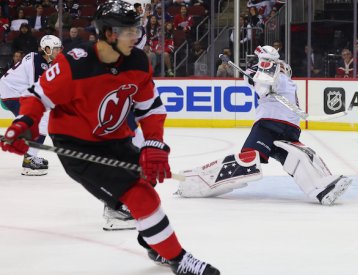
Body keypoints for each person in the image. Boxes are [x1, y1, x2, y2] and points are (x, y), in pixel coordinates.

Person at [0, 1, 220, 274]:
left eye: (136, 29)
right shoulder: (74, 64)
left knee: (147, 183)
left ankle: (155, 244)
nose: (136, 36)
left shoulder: (137, 61)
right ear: (108, 34)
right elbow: (37, 96)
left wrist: (153, 144)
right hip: (78, 146)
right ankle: (179, 259)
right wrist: (23, 124)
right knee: (141, 197)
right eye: (129, 31)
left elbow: (150, 107)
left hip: (117, 140)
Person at [177, 45, 352, 206]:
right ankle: (321, 190)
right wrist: (257, 80)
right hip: (291, 128)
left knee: (248, 160)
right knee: (296, 159)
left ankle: (198, 183)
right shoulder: (288, 81)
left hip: (269, 123)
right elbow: (261, 83)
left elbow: (262, 86)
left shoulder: (272, 71)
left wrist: (259, 80)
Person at [0, 35, 62, 176]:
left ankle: (27, 152)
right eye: (55, 49)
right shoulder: (38, 63)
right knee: (41, 120)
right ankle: (29, 160)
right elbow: (38, 90)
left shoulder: (42, 60)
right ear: (46, 49)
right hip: (12, 93)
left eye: (59, 49)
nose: (58, 52)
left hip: (12, 91)